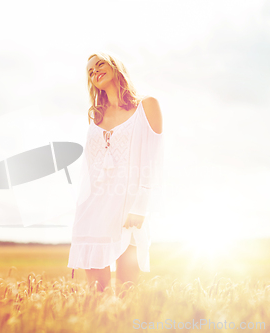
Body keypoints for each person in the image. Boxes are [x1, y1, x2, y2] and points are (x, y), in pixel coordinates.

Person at [67, 52, 164, 295]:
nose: (95, 71)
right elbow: (89, 169)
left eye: (100, 64)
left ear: (115, 68)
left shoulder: (147, 105)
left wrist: (141, 206)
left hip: (128, 204)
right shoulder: (96, 116)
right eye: (90, 71)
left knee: (126, 290)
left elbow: (153, 159)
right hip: (93, 206)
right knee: (96, 294)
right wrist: (81, 206)